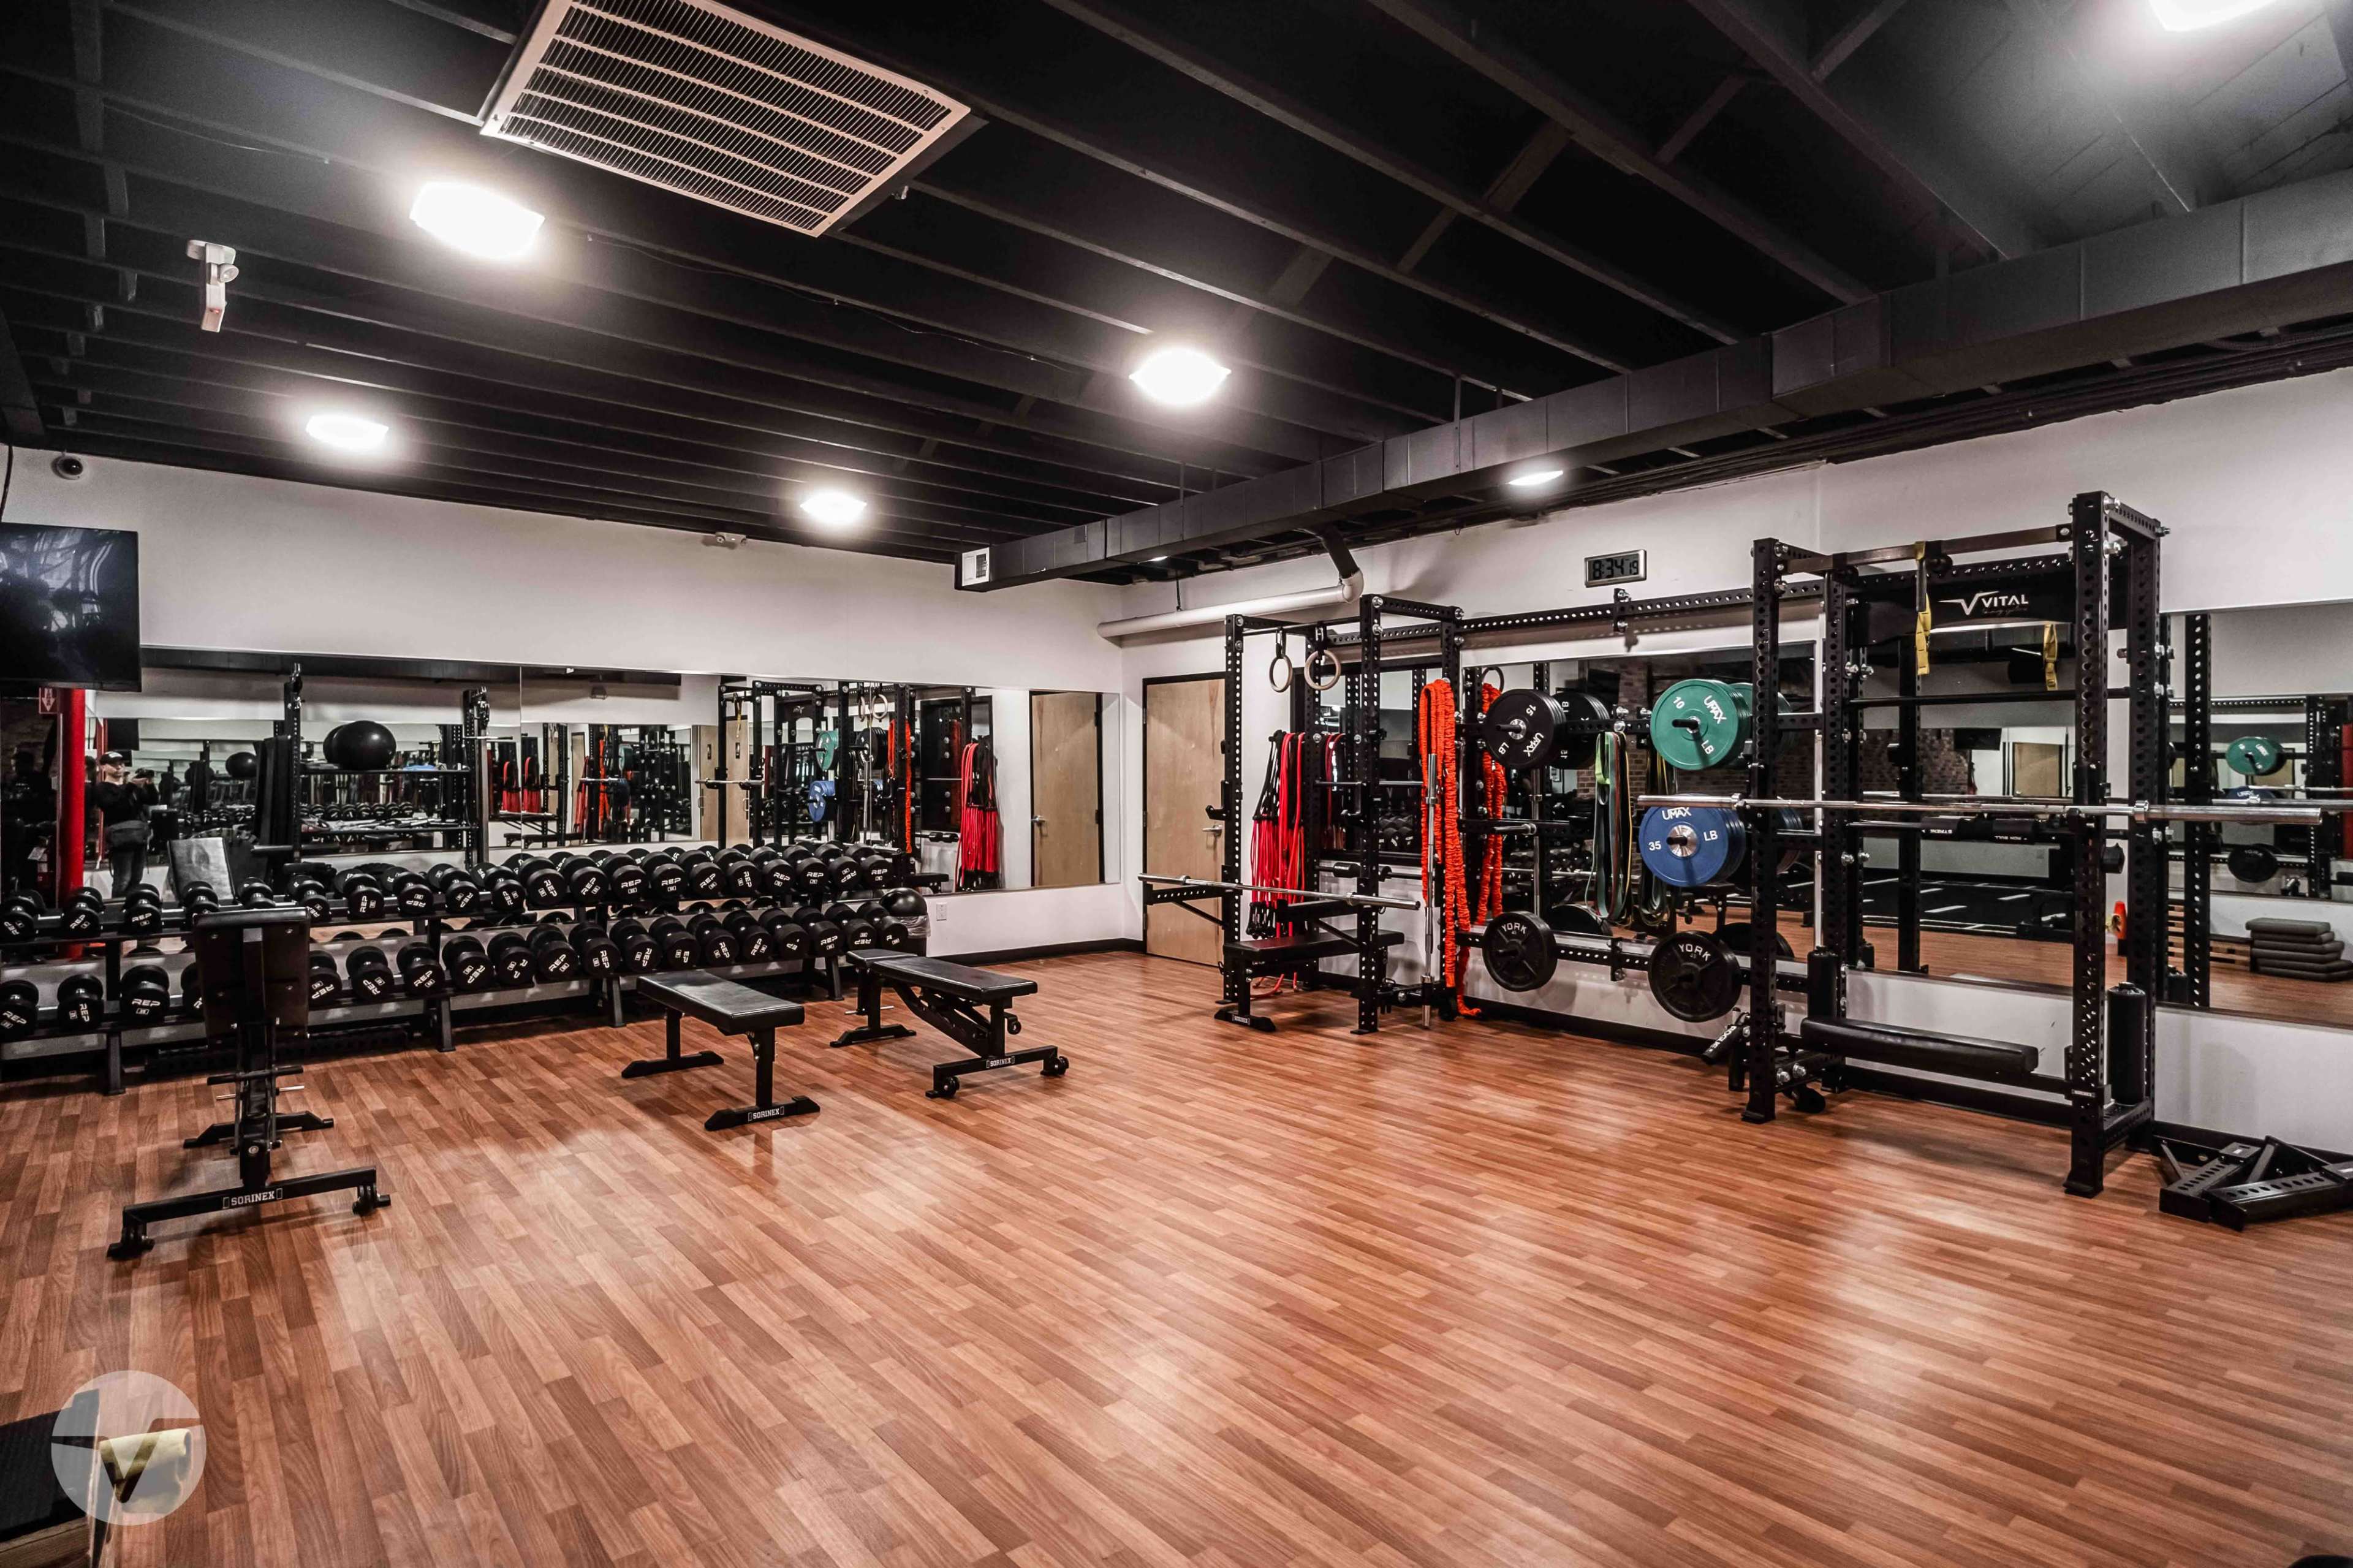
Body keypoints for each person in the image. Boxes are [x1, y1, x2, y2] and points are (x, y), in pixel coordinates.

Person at [86, 756, 153, 899]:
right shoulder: (101, 788)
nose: (119, 767)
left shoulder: (131, 787)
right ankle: (116, 909)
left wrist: (150, 784)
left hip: (138, 834)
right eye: (114, 764)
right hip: (121, 837)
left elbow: (152, 800)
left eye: (121, 764)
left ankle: (131, 905)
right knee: (123, 879)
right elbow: (115, 807)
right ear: (104, 767)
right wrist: (131, 787)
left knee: (137, 877)